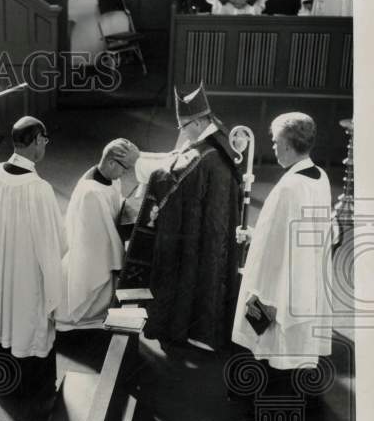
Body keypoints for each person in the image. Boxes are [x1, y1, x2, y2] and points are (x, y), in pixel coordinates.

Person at [118, 84, 242, 351]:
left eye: (184, 127)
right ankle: (199, 327)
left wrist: (138, 163)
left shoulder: (205, 154)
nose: (182, 133)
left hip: (201, 225)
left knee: (185, 265)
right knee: (203, 268)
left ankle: (179, 327)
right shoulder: (216, 138)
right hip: (212, 223)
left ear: (197, 122)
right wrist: (143, 158)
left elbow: (170, 175)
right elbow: (177, 157)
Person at [231, 113, 334, 394]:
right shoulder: (320, 176)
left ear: (288, 146)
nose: (273, 147)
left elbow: (274, 248)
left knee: (266, 340)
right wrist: (256, 234)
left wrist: (261, 291)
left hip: (280, 281)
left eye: (276, 142)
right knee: (294, 349)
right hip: (305, 278)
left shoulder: (289, 186)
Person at [0, 117, 65, 403]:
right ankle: (35, 391)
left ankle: (4, 381)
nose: (45, 146)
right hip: (27, 276)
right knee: (28, 321)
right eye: (45, 141)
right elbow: (54, 245)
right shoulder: (38, 190)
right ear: (38, 141)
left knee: (3, 317)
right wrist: (55, 294)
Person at [56, 138, 140, 330]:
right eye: (125, 168)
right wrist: (123, 260)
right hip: (90, 255)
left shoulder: (109, 177)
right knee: (94, 293)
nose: (126, 174)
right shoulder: (91, 193)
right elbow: (105, 238)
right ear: (111, 162)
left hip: (100, 243)